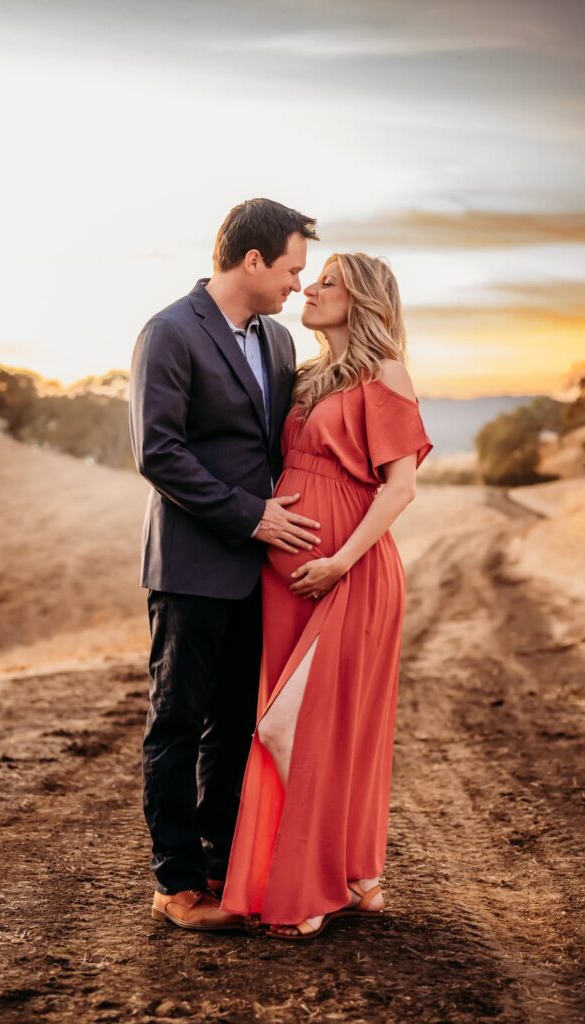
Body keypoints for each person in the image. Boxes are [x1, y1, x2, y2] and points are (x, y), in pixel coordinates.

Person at [221, 252, 434, 939]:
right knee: (292, 722)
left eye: (326, 282)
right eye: (308, 279)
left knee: (301, 725)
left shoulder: (385, 374)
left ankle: (312, 885)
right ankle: (353, 869)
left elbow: (398, 488)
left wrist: (340, 561)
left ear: (363, 299)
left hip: (351, 568)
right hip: (284, 577)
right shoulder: (304, 377)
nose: (307, 288)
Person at [129, 198, 321, 932]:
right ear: (251, 261)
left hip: (255, 574)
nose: (296, 286)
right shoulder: (171, 332)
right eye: (290, 269)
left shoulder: (274, 342)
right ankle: (176, 887)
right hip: (189, 568)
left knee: (235, 727)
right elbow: (158, 451)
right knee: (176, 724)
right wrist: (250, 515)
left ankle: (220, 868)